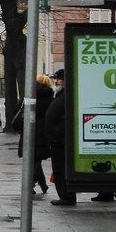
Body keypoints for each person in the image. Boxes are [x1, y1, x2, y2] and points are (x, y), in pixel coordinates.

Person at [14, 74, 54, 193]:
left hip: (28, 129)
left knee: (33, 159)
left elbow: (17, 109)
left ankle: (29, 184)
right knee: (36, 159)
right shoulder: (50, 97)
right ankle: (42, 184)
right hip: (43, 132)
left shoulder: (29, 95)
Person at [46, 69, 74, 206]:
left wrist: (57, 133)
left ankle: (66, 196)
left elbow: (65, 118)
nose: (56, 81)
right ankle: (65, 195)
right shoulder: (61, 94)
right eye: (55, 79)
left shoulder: (65, 95)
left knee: (60, 168)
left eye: (59, 79)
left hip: (60, 141)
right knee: (59, 168)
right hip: (57, 139)